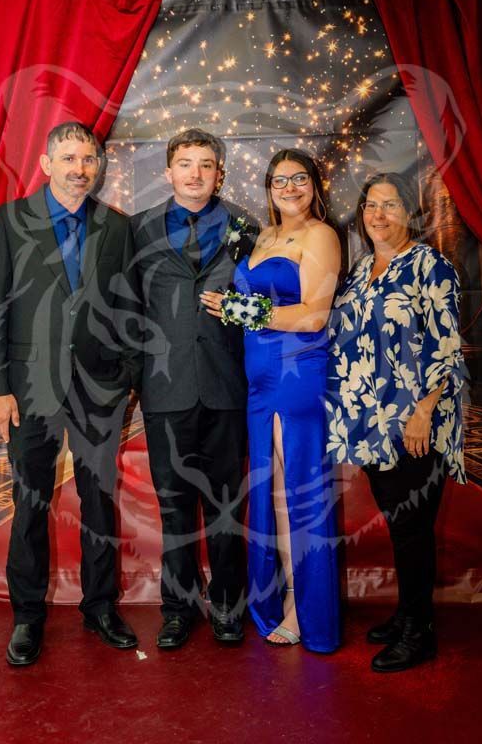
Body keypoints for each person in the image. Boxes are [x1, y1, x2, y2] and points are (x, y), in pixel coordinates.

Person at [0, 122, 140, 666]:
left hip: (100, 390)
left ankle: (100, 607)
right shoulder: (9, 221)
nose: (79, 168)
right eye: (68, 157)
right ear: (46, 164)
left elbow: (129, 309)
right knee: (30, 504)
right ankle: (27, 617)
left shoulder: (115, 228)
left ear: (97, 166)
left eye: (88, 159)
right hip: (28, 390)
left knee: (99, 501)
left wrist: (127, 379)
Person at [202, 149, 342, 651]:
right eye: (279, 180)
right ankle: (290, 599)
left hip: (295, 374)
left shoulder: (321, 235)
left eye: (299, 178)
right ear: (268, 187)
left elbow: (313, 316)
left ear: (314, 184)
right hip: (258, 380)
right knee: (277, 498)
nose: (289, 187)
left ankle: (309, 613)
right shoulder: (260, 236)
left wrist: (243, 309)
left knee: (298, 495)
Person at [326, 172, 465, 672]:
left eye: (389, 206)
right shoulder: (363, 269)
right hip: (374, 422)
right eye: (370, 206)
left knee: (412, 527)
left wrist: (424, 412)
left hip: (416, 422)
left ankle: (419, 633)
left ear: (411, 212)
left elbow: (447, 347)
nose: (378, 216)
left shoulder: (431, 266)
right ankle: (407, 614)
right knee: (400, 522)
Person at [131, 128, 260, 649]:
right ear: (169, 171)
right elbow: (128, 308)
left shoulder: (246, 227)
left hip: (228, 384)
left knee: (228, 505)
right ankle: (179, 608)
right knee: (174, 506)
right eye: (185, 163)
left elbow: (266, 299)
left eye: (206, 164)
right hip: (165, 389)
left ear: (219, 172)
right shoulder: (139, 229)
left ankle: (229, 603)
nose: (195, 174)